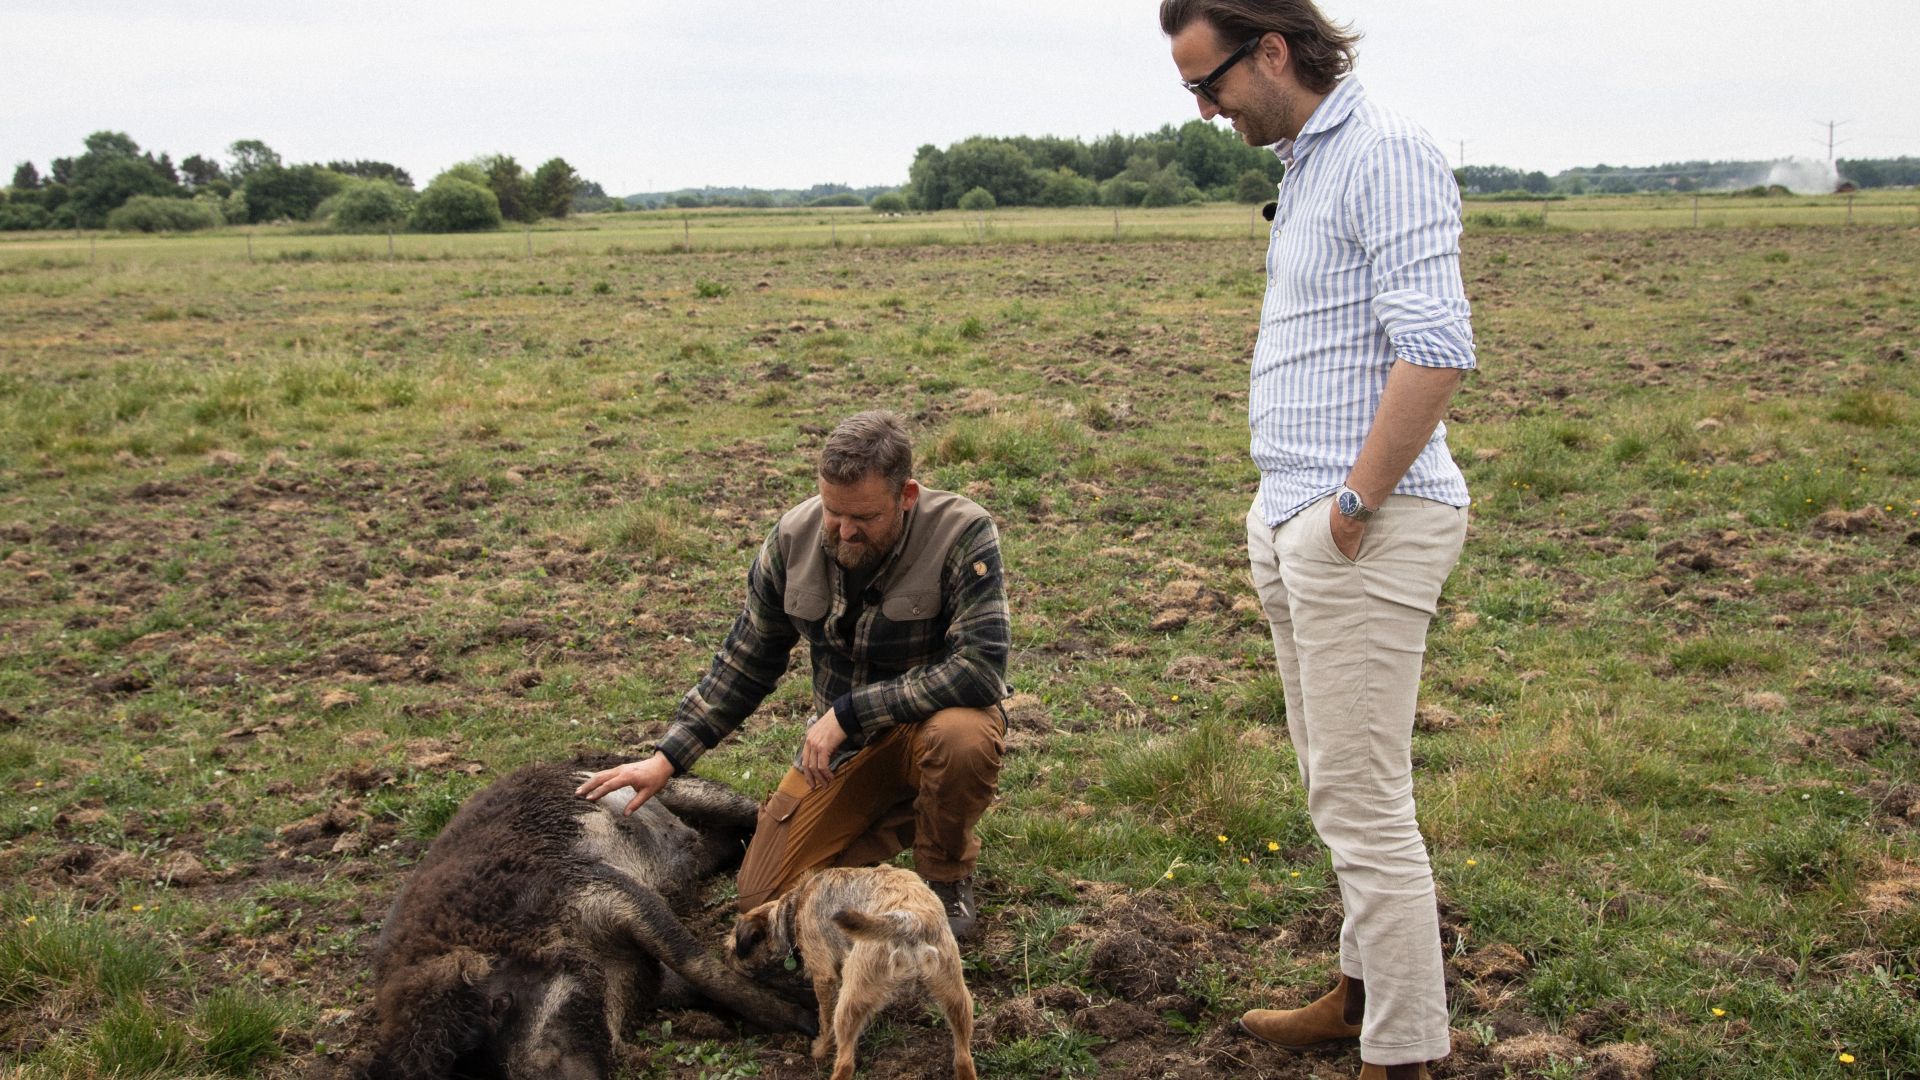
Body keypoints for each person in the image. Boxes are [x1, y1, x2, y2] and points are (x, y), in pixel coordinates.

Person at [1160, 3, 1477, 1078]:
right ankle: (1360, 995)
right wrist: (1296, 513)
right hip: (1297, 510)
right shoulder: (1308, 163)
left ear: (1276, 52)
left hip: (1364, 524)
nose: (1206, 109)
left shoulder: (1384, 150)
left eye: (1211, 84)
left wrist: (1353, 505)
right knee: (1330, 783)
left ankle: (1406, 1050)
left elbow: (1434, 347)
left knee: (1366, 800)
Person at [576, 411, 1009, 940]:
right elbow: (747, 658)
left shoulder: (962, 532)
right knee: (763, 898)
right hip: (843, 755)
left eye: (865, 517)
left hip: (929, 729)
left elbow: (980, 670)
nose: (845, 530)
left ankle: (943, 874)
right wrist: (667, 757)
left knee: (962, 738)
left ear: (907, 495)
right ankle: (909, 811)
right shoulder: (790, 539)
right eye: (833, 511)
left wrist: (848, 713)